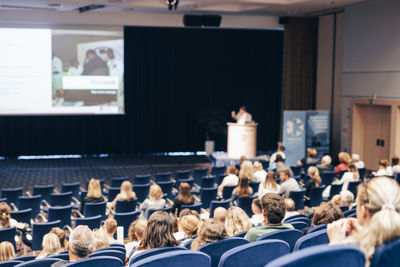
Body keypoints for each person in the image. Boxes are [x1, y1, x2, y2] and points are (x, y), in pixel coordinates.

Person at [327, 177, 400, 266]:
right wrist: (364, 236)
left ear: (364, 210)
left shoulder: (375, 257)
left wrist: (336, 246)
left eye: (356, 205)